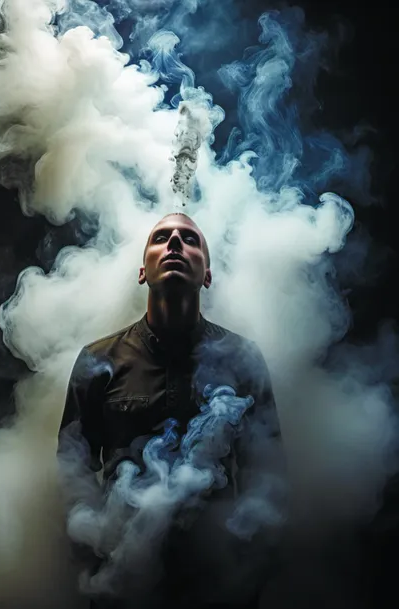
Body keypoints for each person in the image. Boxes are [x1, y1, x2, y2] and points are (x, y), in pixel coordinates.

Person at [60, 212, 282, 609]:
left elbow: (266, 469)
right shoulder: (98, 359)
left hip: (218, 581)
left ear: (207, 276)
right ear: (142, 271)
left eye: (190, 239)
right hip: (121, 581)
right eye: (162, 237)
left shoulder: (243, 358)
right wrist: (96, 551)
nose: (176, 244)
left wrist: (249, 563)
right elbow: (71, 466)